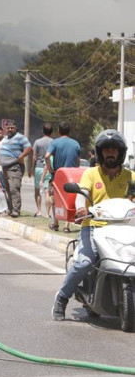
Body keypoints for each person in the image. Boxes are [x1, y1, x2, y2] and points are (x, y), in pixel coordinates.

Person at [52, 130, 135, 320]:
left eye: (114, 149)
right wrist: (81, 208)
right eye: (106, 150)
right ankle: (62, 297)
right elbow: (81, 195)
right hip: (93, 225)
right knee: (84, 262)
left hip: (124, 227)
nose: (110, 153)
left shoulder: (130, 176)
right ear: (99, 153)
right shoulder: (90, 174)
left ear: (121, 153)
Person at [45, 122, 81, 232]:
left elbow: (47, 156)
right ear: (69, 131)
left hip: (58, 175)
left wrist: (50, 169)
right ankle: (67, 225)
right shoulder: (75, 143)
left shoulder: (54, 142)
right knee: (68, 200)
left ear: (58, 131)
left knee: (55, 199)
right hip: (71, 176)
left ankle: (55, 223)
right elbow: (78, 161)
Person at [0, 122, 32, 218]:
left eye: (12, 128)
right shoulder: (6, 138)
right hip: (5, 168)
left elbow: (29, 148)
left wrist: (20, 157)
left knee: (14, 189)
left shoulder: (20, 137)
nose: (10, 129)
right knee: (8, 189)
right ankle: (10, 209)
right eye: (8, 128)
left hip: (15, 167)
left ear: (16, 129)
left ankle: (16, 210)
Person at [30, 123, 54, 217]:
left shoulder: (37, 142)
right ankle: (47, 213)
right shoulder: (53, 142)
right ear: (51, 132)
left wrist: (31, 168)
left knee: (37, 190)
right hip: (50, 168)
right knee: (48, 191)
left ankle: (39, 211)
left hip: (39, 167)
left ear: (42, 131)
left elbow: (34, 156)